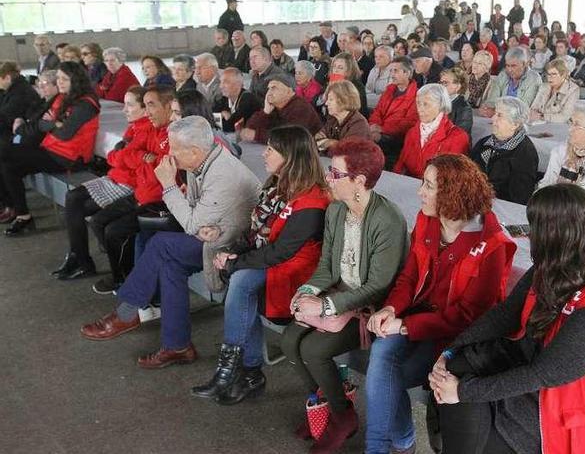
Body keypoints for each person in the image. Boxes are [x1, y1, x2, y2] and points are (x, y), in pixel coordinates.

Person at [428, 183, 585, 454]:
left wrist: (462, 392)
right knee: (453, 370)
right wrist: (450, 350)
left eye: (534, 229)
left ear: (555, 236)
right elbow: (507, 313)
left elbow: (544, 374)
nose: (529, 236)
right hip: (535, 365)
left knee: (460, 399)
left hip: (565, 406)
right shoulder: (562, 261)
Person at [79, 115, 260, 367]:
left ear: (195, 151)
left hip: (233, 247)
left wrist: (169, 186)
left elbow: (191, 223)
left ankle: (127, 312)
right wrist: (197, 222)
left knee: (161, 244)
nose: (169, 155)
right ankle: (177, 346)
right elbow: (196, 219)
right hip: (217, 236)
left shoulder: (221, 174)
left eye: (174, 149)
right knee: (168, 264)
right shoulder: (207, 159)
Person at [366, 153, 516, 454]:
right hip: (416, 320)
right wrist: (391, 308)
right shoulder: (426, 219)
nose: (420, 192)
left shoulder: (493, 245)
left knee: (383, 377)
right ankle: (385, 444)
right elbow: (409, 276)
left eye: (429, 185)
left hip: (453, 339)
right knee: (382, 354)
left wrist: (405, 325)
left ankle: (397, 442)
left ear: (451, 193)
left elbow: (469, 317)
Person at [278, 137, 407, 453]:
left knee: (313, 349)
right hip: (337, 298)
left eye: (335, 173)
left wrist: (323, 304)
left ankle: (342, 417)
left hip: (369, 309)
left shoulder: (387, 219)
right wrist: (306, 291)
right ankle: (328, 404)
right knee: (287, 341)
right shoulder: (336, 209)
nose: (327, 178)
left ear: (359, 181)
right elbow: (327, 267)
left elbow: (377, 287)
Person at [192, 125, 329, 406]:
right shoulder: (278, 186)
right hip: (272, 262)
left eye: (271, 149)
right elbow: (257, 236)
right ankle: (248, 372)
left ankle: (233, 371)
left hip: (299, 272)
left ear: (290, 157)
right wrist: (231, 253)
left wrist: (236, 263)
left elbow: (282, 251)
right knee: (241, 282)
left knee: (241, 281)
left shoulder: (312, 199)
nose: (264, 153)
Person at [56, 86, 170, 292]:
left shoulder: (151, 128)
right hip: (129, 183)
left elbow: (153, 169)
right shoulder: (137, 128)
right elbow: (117, 157)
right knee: (77, 202)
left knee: (102, 222)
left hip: (136, 188)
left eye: (130, 105)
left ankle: (115, 273)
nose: (124, 110)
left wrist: (128, 157)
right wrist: (135, 157)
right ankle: (94, 262)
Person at [0, 62, 99, 234]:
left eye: (64, 78)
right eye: (58, 78)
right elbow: (46, 124)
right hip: (51, 150)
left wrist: (48, 124)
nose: (59, 82)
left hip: (68, 159)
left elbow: (65, 133)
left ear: (76, 80)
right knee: (8, 165)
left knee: (5, 153)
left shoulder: (86, 104)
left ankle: (18, 212)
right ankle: (22, 214)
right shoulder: (63, 97)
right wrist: (53, 124)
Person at [471, 96, 538, 204]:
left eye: (499, 115)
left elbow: (519, 197)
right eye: (495, 114)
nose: (493, 119)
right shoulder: (483, 143)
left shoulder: (525, 154)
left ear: (515, 124)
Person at [393, 84, 469, 179]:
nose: (420, 109)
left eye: (426, 104)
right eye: (418, 103)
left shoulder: (458, 137)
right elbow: (400, 165)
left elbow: (452, 178)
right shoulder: (412, 132)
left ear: (441, 105)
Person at [368, 56, 420, 169]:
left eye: (395, 71)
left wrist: (382, 129)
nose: (392, 74)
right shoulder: (389, 89)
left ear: (407, 73)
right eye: (391, 70)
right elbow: (377, 111)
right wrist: (373, 125)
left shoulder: (416, 95)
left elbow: (408, 123)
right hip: (379, 131)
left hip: (397, 138)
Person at [243, 73, 323, 143]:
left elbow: (290, 138)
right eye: (269, 89)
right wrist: (265, 112)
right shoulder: (273, 107)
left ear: (289, 91)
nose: (269, 93)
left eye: (274, 88)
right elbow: (249, 128)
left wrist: (256, 135)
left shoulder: (300, 107)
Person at [479, 47, 542, 117]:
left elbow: (524, 107)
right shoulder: (503, 75)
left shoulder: (534, 78)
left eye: (513, 66)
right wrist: (486, 108)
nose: (510, 70)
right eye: (507, 65)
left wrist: (497, 112)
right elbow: (492, 99)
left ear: (524, 64)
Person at [315, 81, 371, 153]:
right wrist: (322, 138)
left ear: (344, 100)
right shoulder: (333, 118)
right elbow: (321, 135)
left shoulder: (359, 124)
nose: (326, 103)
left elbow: (349, 152)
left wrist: (332, 143)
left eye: (331, 99)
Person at [0, 62, 42, 146]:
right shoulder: (14, 88)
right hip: (15, 131)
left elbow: (6, 115)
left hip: (20, 136)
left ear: (7, 78)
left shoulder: (20, 91)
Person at [529, 58, 578, 124]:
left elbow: (565, 117)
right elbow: (533, 107)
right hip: (539, 124)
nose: (549, 77)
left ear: (563, 75)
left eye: (554, 74)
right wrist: (534, 114)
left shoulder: (573, 90)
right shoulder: (544, 87)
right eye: (548, 74)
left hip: (559, 127)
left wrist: (542, 116)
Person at [213, 67, 260, 134]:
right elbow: (209, 116)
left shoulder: (248, 99)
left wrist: (218, 118)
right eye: (221, 82)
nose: (221, 86)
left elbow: (230, 127)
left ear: (238, 84)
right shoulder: (224, 98)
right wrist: (221, 114)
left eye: (226, 82)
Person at [439, 67, 473, 136]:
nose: (441, 86)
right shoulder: (438, 102)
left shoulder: (464, 108)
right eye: (441, 82)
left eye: (445, 83)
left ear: (458, 86)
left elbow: (459, 135)